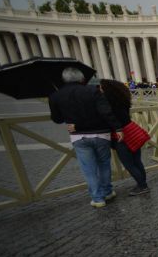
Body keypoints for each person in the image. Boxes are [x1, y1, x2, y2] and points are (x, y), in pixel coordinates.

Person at [49, 68, 123, 208]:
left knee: (88, 169)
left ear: (64, 80)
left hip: (79, 137)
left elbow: (57, 119)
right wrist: (118, 128)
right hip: (101, 134)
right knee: (104, 165)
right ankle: (107, 191)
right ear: (82, 79)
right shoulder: (93, 90)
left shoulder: (55, 95)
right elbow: (106, 112)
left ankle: (98, 198)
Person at [97, 79, 150, 195]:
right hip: (132, 131)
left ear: (107, 89)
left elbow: (110, 119)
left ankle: (143, 186)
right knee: (137, 161)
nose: (99, 89)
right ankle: (142, 183)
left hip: (121, 135)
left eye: (101, 87)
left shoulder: (107, 104)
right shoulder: (121, 100)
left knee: (129, 164)